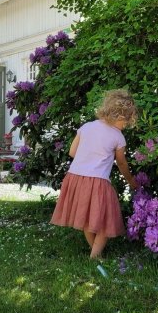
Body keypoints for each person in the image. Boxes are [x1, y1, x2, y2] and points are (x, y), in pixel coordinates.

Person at [50, 89, 138, 259]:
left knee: (85, 218)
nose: (126, 125)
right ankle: (95, 256)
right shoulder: (118, 137)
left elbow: (72, 152)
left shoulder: (86, 127)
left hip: (74, 178)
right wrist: (131, 181)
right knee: (106, 219)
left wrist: (89, 156)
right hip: (97, 181)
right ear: (120, 116)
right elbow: (121, 163)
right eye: (126, 121)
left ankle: (96, 255)